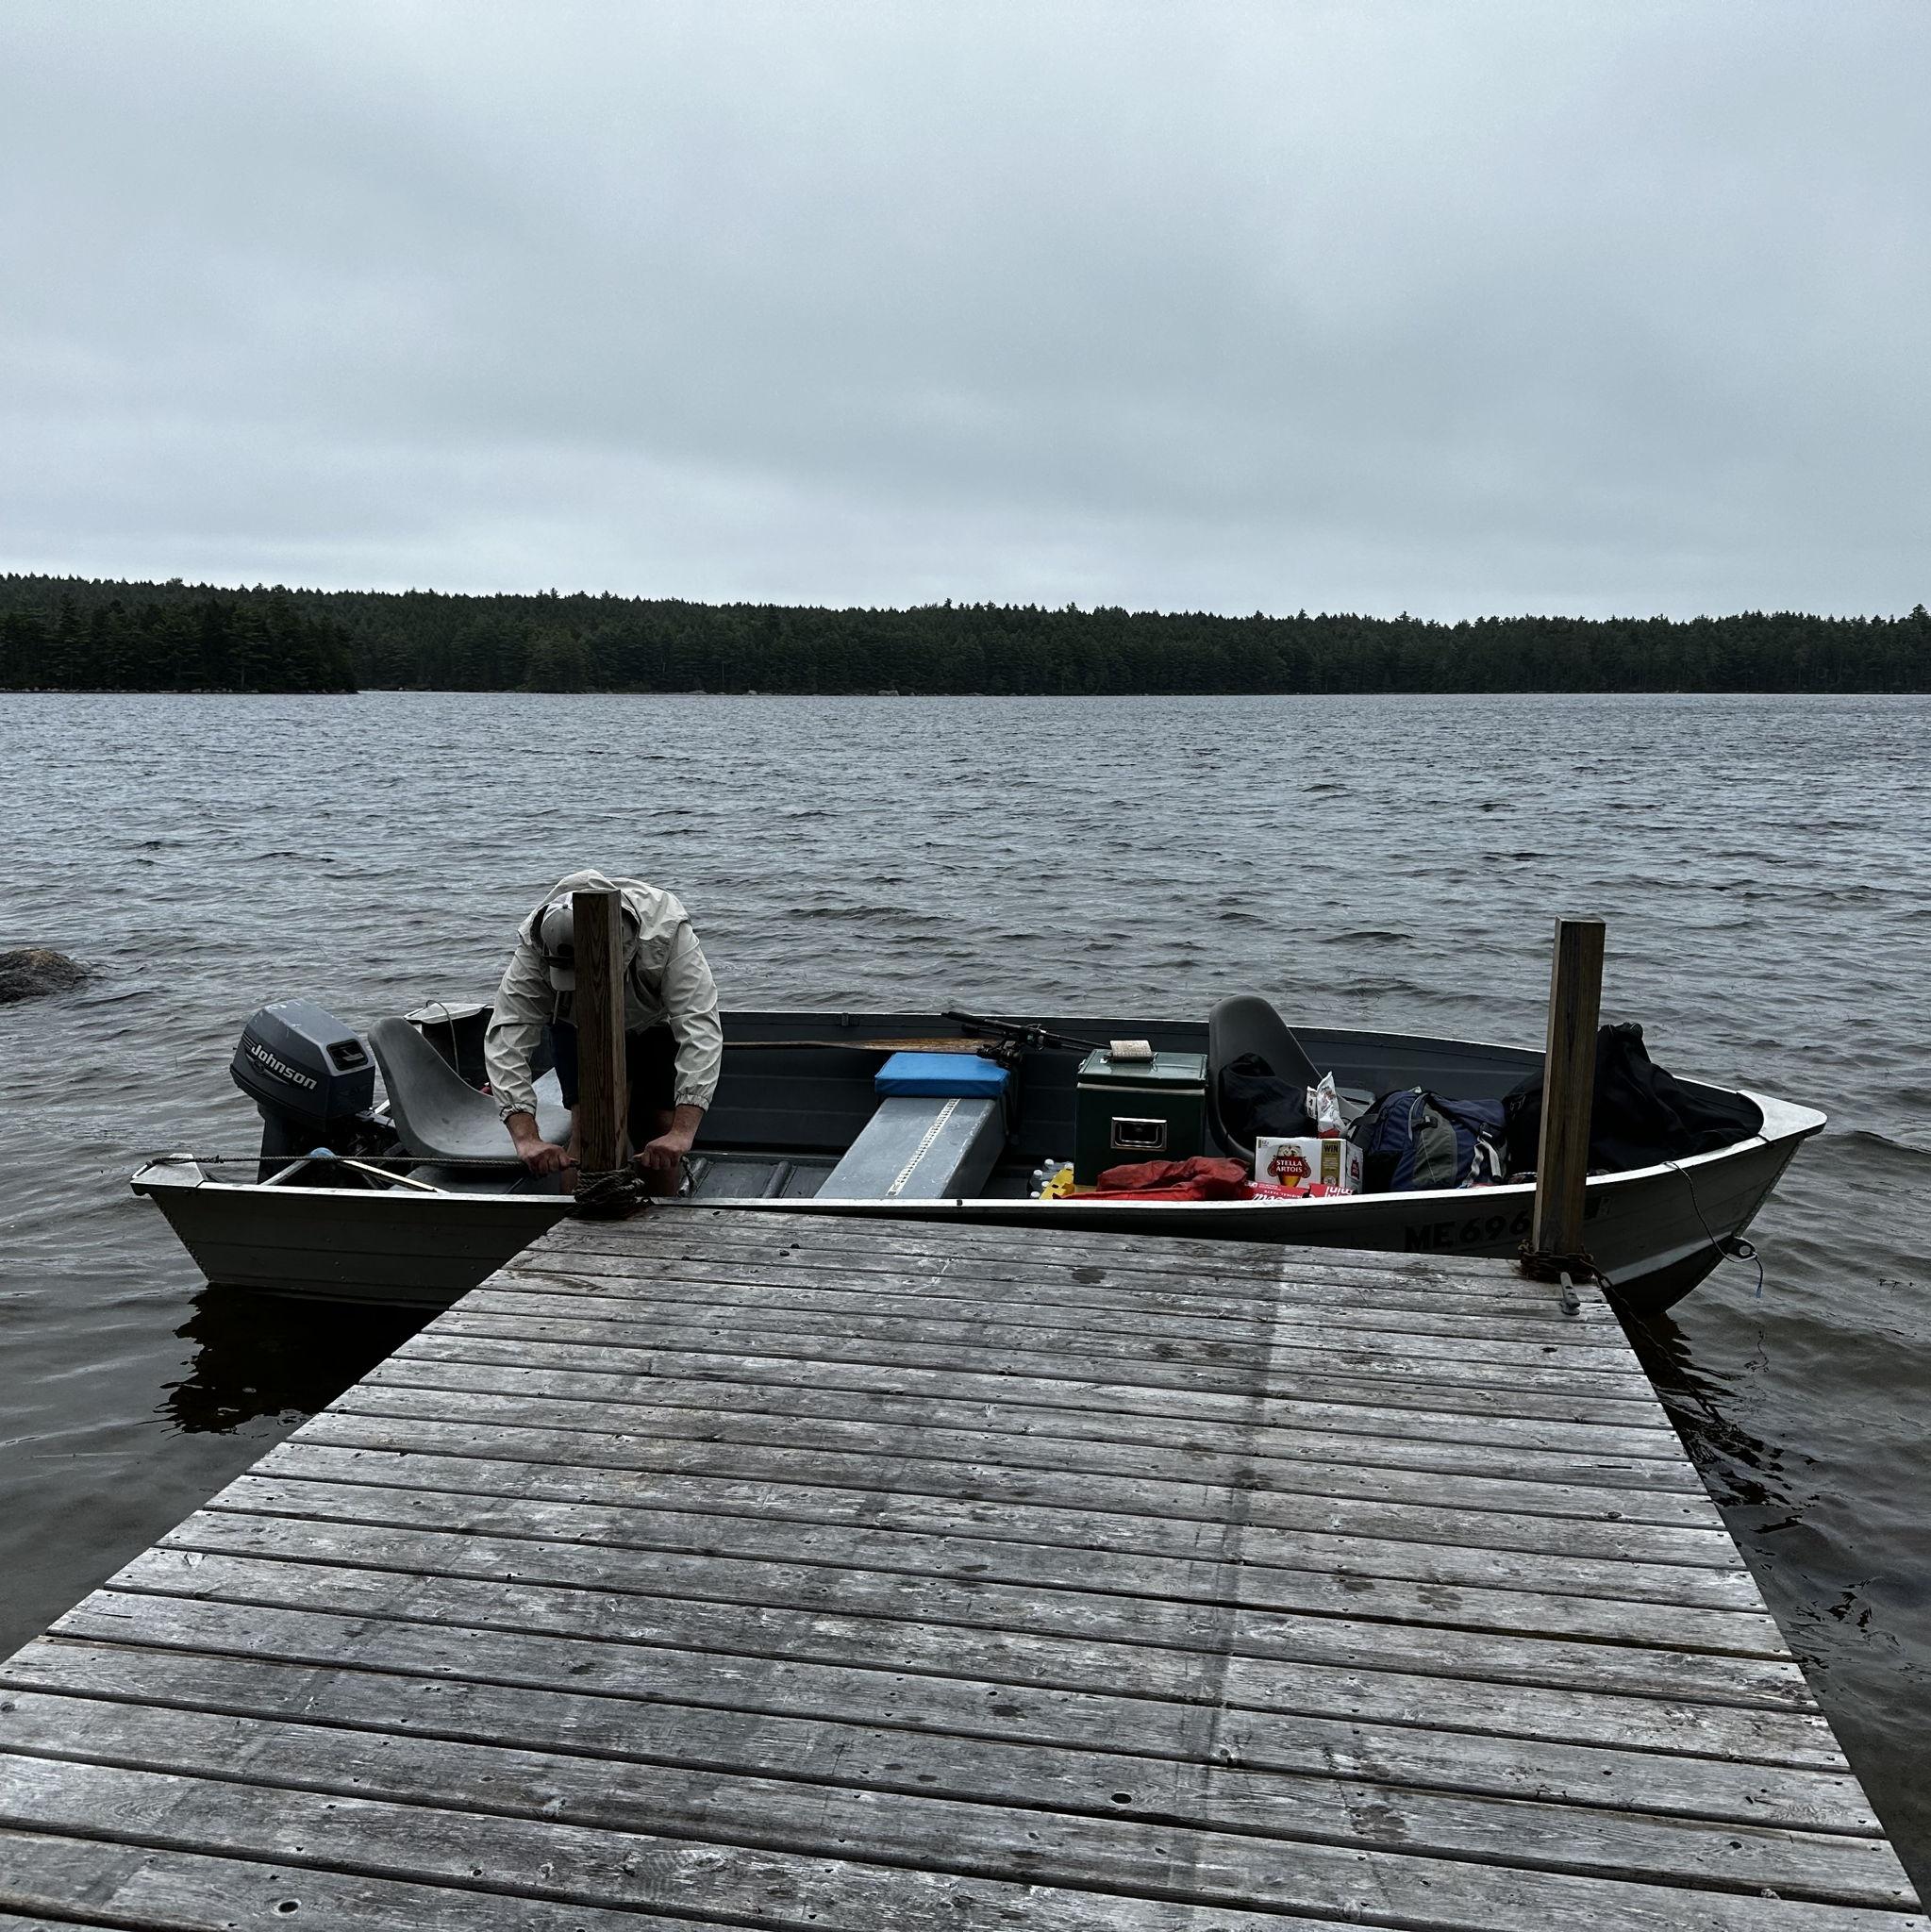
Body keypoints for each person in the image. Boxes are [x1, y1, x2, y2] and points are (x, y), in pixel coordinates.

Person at [484, 867, 722, 1192]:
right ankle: (577, 1221)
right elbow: (507, 1037)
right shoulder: (535, 946)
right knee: (588, 1132)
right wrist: (526, 1137)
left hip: (653, 1019)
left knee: (658, 1127)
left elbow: (700, 1030)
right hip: (576, 1023)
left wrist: (682, 1132)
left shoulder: (666, 931)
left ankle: (662, 1223)